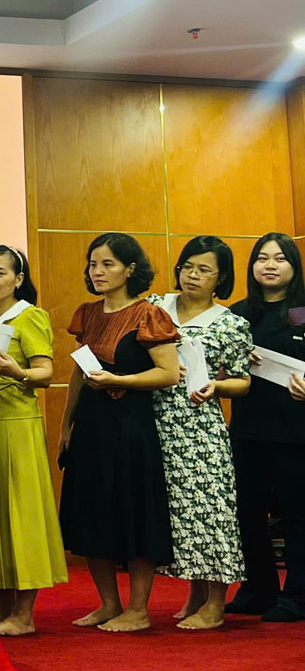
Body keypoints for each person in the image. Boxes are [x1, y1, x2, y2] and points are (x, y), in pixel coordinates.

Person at [58, 233, 180, 632]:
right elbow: (79, 373)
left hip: (131, 426)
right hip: (91, 425)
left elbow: (168, 373)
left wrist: (120, 380)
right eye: (93, 264)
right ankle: (108, 604)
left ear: (130, 269)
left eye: (107, 264)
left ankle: (139, 609)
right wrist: (66, 426)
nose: (98, 271)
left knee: (134, 514)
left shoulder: (148, 314)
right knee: (91, 512)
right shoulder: (88, 314)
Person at [147, 236, 251, 630]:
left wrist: (218, 387)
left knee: (210, 512)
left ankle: (216, 603)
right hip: (154, 421)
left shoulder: (230, 323)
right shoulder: (155, 307)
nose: (192, 275)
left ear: (221, 278)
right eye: (187, 266)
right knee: (178, 514)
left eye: (204, 270)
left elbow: (242, 381)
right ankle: (195, 592)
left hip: (199, 429)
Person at [0, 245, 66, 637]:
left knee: (21, 518)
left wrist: (19, 372)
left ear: (18, 279)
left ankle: (25, 614)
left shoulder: (29, 316)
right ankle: (3, 606)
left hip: (17, 425)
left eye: (0, 272)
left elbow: (45, 373)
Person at [226, 233, 305, 622]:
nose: (269, 265)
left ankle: (298, 596)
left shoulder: (302, 311)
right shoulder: (237, 314)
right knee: (247, 512)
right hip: (247, 428)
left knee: (297, 514)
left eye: (279, 258)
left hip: (295, 431)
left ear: (294, 266)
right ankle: (257, 589)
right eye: (262, 258)